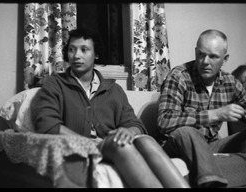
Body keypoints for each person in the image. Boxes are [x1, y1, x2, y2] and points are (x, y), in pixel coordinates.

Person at [31, 27, 189, 188]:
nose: (76, 55)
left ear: (96, 54)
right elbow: (46, 124)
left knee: (146, 141)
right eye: (72, 50)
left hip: (107, 145)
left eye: (84, 50)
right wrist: (85, 143)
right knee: (120, 145)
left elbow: (136, 124)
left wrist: (128, 131)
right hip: (79, 149)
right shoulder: (55, 84)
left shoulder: (114, 90)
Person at [157, 29, 246, 188]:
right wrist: (214, 115)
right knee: (187, 131)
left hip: (211, 146)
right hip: (179, 145)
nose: (205, 61)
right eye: (201, 54)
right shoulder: (179, 76)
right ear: (195, 52)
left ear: (225, 59)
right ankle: (211, 182)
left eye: (213, 57)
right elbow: (164, 122)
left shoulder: (230, 82)